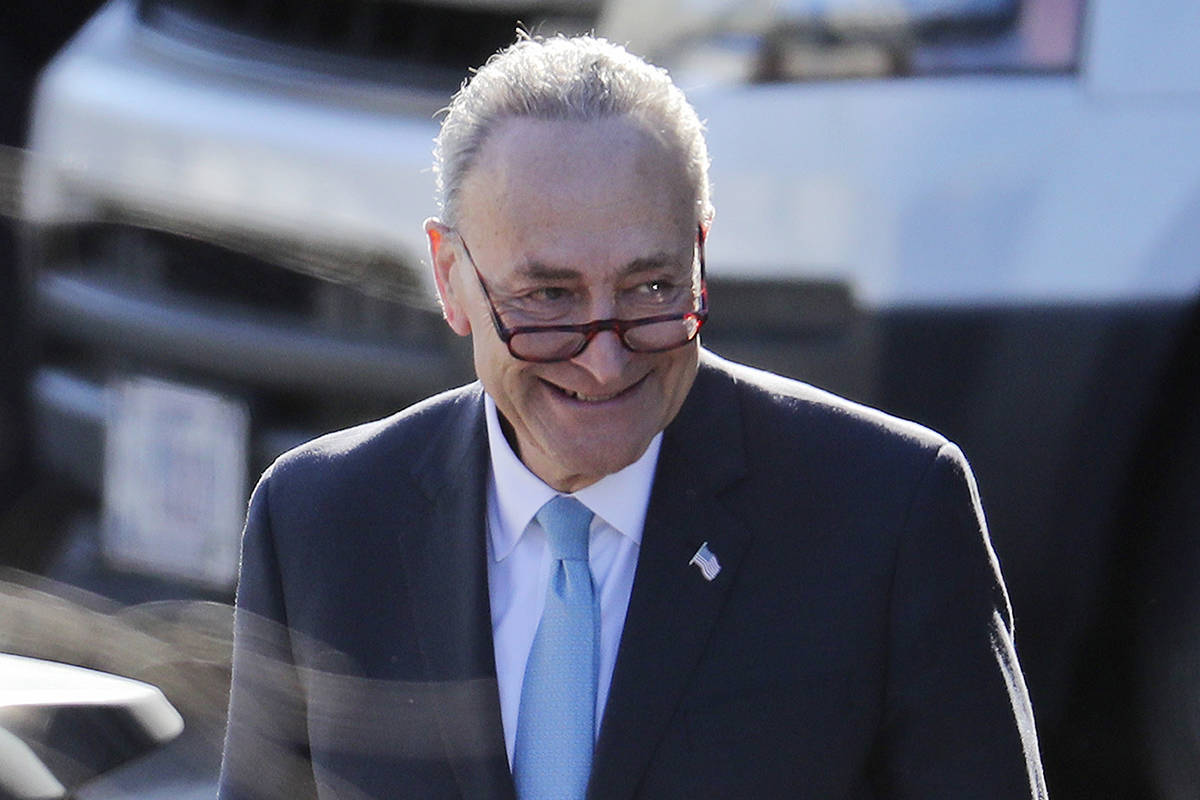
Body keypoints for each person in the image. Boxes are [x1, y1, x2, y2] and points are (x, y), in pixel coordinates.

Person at [219, 34, 1046, 800]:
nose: (605, 359)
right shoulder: (323, 523)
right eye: (547, 299)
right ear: (450, 277)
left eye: (653, 290)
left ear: (700, 253)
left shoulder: (886, 513)